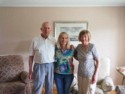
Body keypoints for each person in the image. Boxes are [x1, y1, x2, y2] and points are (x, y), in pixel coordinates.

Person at [29, 21, 56, 94]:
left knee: (50, 87)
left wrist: (71, 46)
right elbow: (31, 56)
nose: (46, 30)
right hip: (39, 66)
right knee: (37, 87)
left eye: (48, 28)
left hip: (51, 65)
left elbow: (61, 49)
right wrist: (30, 69)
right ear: (41, 29)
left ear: (50, 30)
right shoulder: (35, 39)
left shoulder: (54, 40)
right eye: (44, 28)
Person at [74, 30, 100, 94]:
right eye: (82, 37)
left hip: (89, 75)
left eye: (85, 36)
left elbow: (98, 61)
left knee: (88, 92)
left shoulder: (92, 46)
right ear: (80, 38)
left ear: (88, 37)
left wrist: (95, 75)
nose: (83, 38)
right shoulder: (78, 47)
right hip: (80, 74)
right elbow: (75, 56)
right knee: (81, 92)